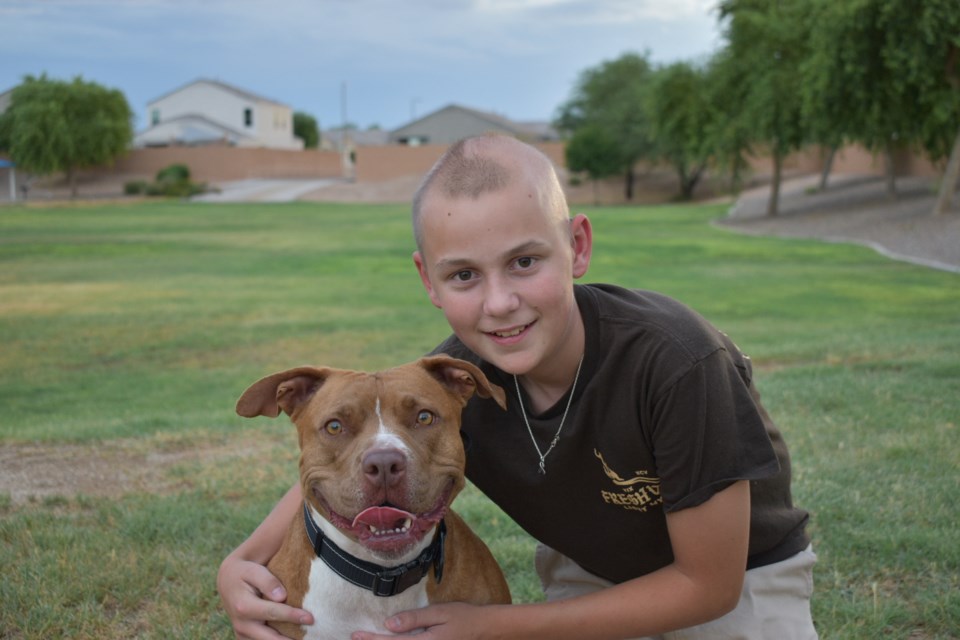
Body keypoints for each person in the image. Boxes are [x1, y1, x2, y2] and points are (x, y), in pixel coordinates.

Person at [217, 133, 816, 640]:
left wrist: (495, 624)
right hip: (593, 572)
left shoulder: (676, 363)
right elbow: (363, 456)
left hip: (741, 582)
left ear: (576, 247)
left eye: (525, 262)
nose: (500, 304)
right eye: (464, 275)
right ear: (429, 279)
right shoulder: (449, 385)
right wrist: (238, 565)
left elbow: (707, 585)